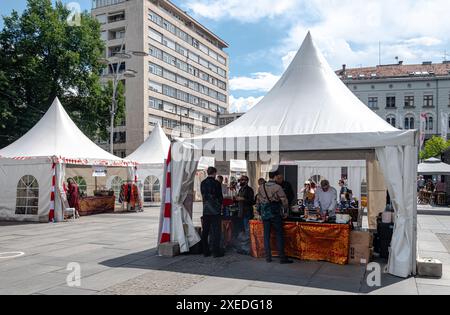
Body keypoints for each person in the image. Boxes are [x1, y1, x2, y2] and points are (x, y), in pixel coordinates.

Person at [256, 171, 293, 264]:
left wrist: (259, 213)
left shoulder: (261, 187)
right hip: (275, 212)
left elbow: (258, 201)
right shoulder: (277, 187)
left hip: (265, 213)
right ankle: (282, 257)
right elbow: (284, 201)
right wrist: (285, 212)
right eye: (278, 177)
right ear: (275, 177)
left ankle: (268, 257)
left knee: (266, 235)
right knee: (279, 234)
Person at [200, 167, 224, 258]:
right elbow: (220, 197)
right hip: (215, 211)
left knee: (205, 231)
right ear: (214, 173)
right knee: (216, 231)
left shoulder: (202, 183)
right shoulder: (217, 183)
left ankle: (205, 251)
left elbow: (203, 195)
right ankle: (216, 252)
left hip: (206, 210)